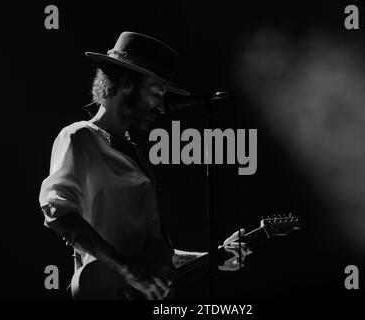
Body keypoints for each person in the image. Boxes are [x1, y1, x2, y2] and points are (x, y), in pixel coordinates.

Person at [39, 31, 252, 300]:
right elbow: (58, 212)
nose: (162, 107)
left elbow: (155, 257)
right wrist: (129, 272)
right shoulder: (79, 137)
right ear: (127, 83)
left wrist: (214, 256)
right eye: (156, 93)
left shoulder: (136, 153)